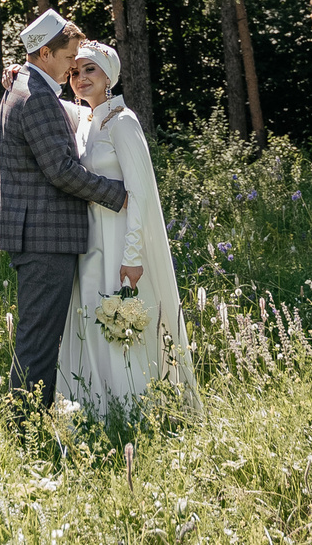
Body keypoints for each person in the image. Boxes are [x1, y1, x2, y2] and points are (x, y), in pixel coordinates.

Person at [0, 8, 128, 417]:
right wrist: (117, 194)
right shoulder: (34, 97)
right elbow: (61, 171)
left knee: (42, 336)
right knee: (38, 341)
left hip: (40, 236)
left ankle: (33, 421)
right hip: (44, 238)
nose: (75, 65)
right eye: (70, 56)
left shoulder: (28, 87)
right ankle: (25, 429)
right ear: (46, 53)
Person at [55, 40, 198, 415]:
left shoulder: (123, 122)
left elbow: (141, 194)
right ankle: (99, 407)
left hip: (120, 240)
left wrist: (133, 256)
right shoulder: (87, 120)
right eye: (74, 72)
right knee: (94, 317)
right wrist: (17, 78)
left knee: (120, 320)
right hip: (90, 242)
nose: (80, 78)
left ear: (109, 76)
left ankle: (136, 406)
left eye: (90, 70)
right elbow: (48, 100)